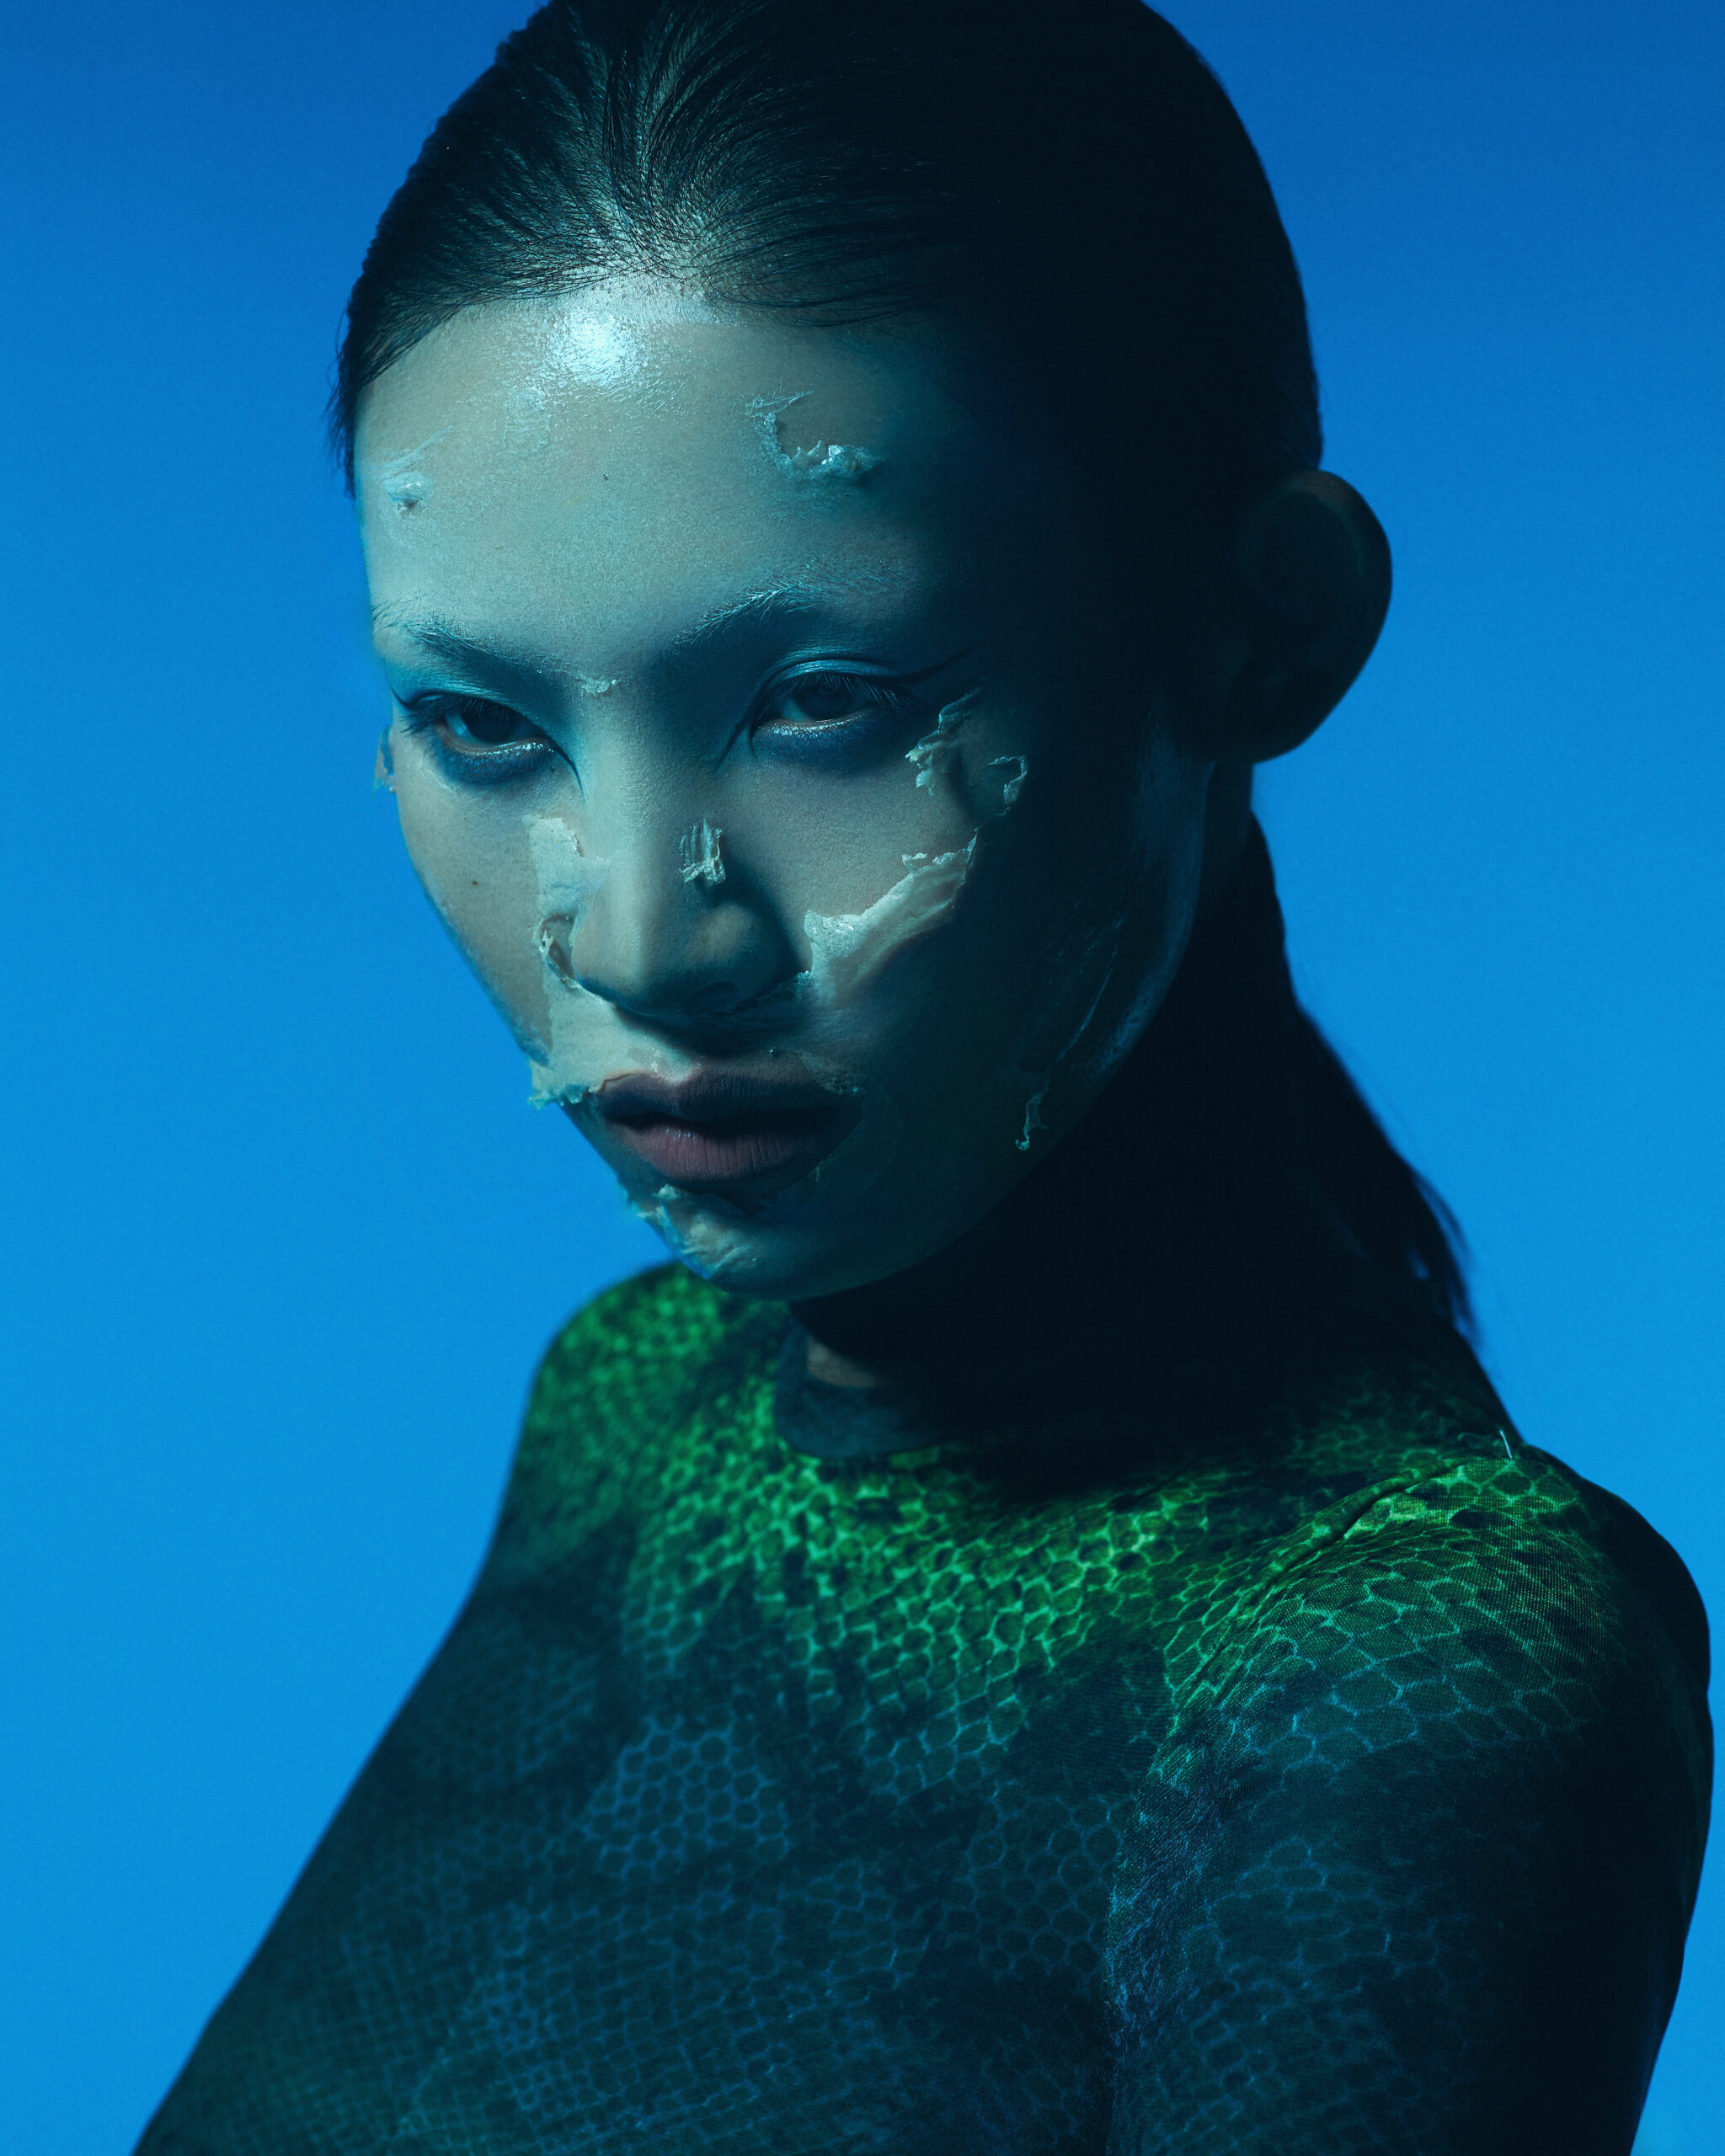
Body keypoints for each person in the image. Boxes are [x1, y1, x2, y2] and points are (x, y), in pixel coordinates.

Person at [137, 2, 1710, 2148]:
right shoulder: (635, 1397)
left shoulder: (1392, 1663)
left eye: (825, 698)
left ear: (1260, 628)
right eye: (481, 727)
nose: (639, 936)